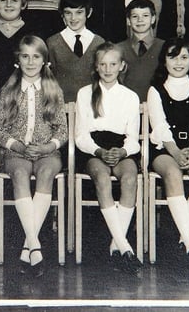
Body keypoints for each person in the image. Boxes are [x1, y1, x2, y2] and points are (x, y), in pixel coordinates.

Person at [0, 35, 67, 277]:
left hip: (47, 151)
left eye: (36, 57)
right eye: (25, 56)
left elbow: (62, 130)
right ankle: (34, 245)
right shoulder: (9, 90)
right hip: (18, 151)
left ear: (44, 61)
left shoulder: (53, 89)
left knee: (46, 172)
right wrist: (17, 146)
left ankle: (29, 245)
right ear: (18, 60)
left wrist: (47, 147)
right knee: (19, 173)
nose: (30, 61)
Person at [147, 38, 189, 268]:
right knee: (173, 174)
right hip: (167, 149)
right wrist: (177, 153)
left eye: (184, 57)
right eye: (172, 57)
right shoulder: (155, 90)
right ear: (163, 61)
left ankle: (183, 242)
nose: (178, 62)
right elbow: (160, 126)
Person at [74, 42, 142, 276]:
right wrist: (100, 152)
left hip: (121, 148)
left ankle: (117, 245)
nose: (107, 68)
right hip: (95, 149)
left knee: (130, 177)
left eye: (113, 64)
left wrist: (122, 152)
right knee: (102, 178)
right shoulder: (85, 93)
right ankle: (124, 246)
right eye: (102, 64)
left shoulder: (131, 97)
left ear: (122, 66)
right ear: (95, 67)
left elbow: (133, 138)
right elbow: (81, 136)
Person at [47, 0, 105, 102]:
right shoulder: (52, 43)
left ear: (89, 13)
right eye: (68, 13)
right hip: (61, 107)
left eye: (79, 12)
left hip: (92, 107)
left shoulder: (99, 42)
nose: (73, 18)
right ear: (62, 14)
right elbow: (49, 79)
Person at [117, 0, 164, 103]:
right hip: (127, 106)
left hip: (157, 107)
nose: (140, 20)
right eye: (135, 16)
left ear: (153, 19)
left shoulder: (164, 47)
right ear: (128, 21)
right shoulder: (118, 49)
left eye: (145, 16)